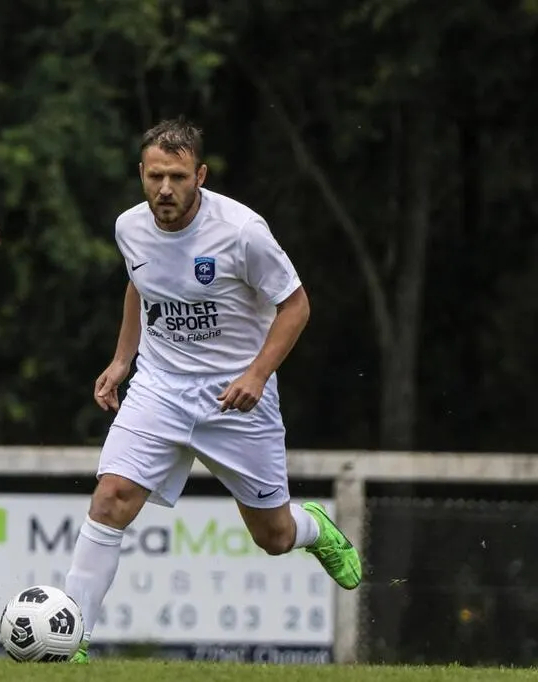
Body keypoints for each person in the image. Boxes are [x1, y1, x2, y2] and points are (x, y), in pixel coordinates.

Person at [63, 118, 361, 663]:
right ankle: (71, 639)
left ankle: (313, 528)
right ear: (141, 173)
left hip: (236, 397)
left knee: (272, 536)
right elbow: (140, 284)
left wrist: (257, 375)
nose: (165, 190)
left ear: (200, 175)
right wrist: (123, 359)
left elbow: (296, 306)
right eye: (155, 176)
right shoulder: (130, 227)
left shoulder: (242, 231)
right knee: (109, 500)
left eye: (177, 177)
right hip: (159, 388)